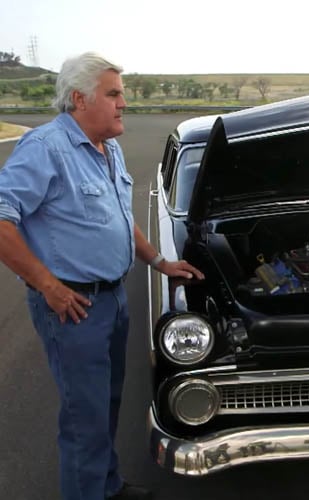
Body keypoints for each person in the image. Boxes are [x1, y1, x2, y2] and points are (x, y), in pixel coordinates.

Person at [0, 52, 204, 500]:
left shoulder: (107, 148)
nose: (123, 104)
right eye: (113, 94)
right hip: (73, 307)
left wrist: (158, 262)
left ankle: (106, 486)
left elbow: (118, 217)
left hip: (112, 298)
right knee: (83, 420)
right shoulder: (46, 148)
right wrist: (47, 285)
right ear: (79, 99)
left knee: (106, 405)